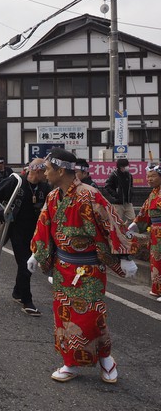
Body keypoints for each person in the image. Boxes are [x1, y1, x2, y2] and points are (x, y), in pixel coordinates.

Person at [29, 147, 137, 383]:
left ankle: (106, 359)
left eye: (47, 169)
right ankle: (70, 362)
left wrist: (125, 257)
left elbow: (112, 226)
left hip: (88, 270)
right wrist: (36, 255)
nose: (45, 173)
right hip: (62, 268)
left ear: (60, 170)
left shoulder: (90, 195)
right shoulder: (52, 197)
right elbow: (44, 227)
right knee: (63, 316)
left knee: (91, 317)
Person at [0, 157, 51, 316]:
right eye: (45, 171)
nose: (47, 174)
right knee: (25, 264)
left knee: (26, 263)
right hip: (17, 229)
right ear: (37, 170)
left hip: (36, 230)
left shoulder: (45, 187)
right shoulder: (16, 181)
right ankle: (27, 301)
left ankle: (17, 292)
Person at [127, 163, 161, 301]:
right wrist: (133, 226)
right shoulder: (153, 194)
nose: (149, 179)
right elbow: (144, 214)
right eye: (148, 176)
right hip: (155, 232)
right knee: (156, 261)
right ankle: (157, 289)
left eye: (153, 176)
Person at [104, 158, 134, 225]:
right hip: (117, 203)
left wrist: (131, 195)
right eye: (126, 166)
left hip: (127, 202)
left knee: (133, 219)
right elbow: (107, 186)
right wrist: (115, 195)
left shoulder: (129, 175)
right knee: (117, 221)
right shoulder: (114, 175)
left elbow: (131, 186)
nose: (127, 167)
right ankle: (119, 233)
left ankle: (125, 230)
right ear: (121, 167)